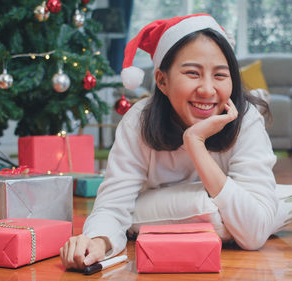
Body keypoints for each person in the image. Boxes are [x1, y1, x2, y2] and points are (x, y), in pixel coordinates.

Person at [60, 13, 278, 270]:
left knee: (256, 212)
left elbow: (254, 233)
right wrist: (98, 241)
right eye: (193, 73)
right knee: (233, 209)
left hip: (158, 219)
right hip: (158, 225)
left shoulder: (246, 120)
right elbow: (113, 204)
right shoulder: (138, 123)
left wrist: (195, 142)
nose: (208, 90)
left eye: (220, 75)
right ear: (162, 80)